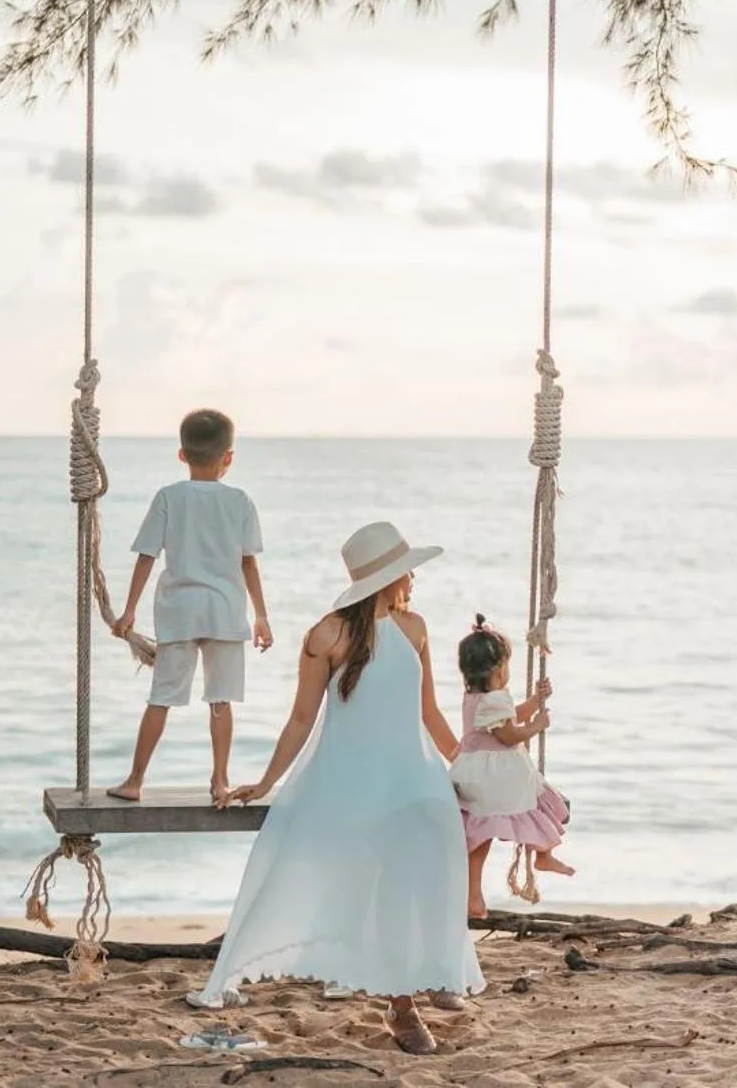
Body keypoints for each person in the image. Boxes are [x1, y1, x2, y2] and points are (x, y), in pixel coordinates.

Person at [192, 521, 481, 1055]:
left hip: (412, 774)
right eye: (406, 571)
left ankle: (435, 971)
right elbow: (301, 719)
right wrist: (265, 782)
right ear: (387, 578)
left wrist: (470, 765)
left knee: (438, 836)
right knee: (360, 867)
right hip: (350, 777)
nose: (413, 579)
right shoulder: (325, 636)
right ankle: (401, 1005)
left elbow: (429, 712)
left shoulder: (414, 628)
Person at [108, 409, 272, 806]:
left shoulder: (169, 497)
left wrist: (129, 610)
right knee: (220, 700)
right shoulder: (239, 501)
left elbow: (146, 556)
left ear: (182, 455)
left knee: (161, 698)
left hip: (179, 612)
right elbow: (248, 561)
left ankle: (134, 780)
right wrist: (262, 616)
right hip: (224, 612)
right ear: (228, 457)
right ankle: (219, 781)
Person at [451, 616, 572, 918]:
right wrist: (536, 725)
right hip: (497, 777)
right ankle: (543, 854)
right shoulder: (493, 700)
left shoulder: (475, 697)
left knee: (479, 838)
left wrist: (534, 700)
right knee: (546, 803)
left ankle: (472, 896)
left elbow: (510, 715)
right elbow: (507, 734)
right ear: (497, 670)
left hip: (472, 773)